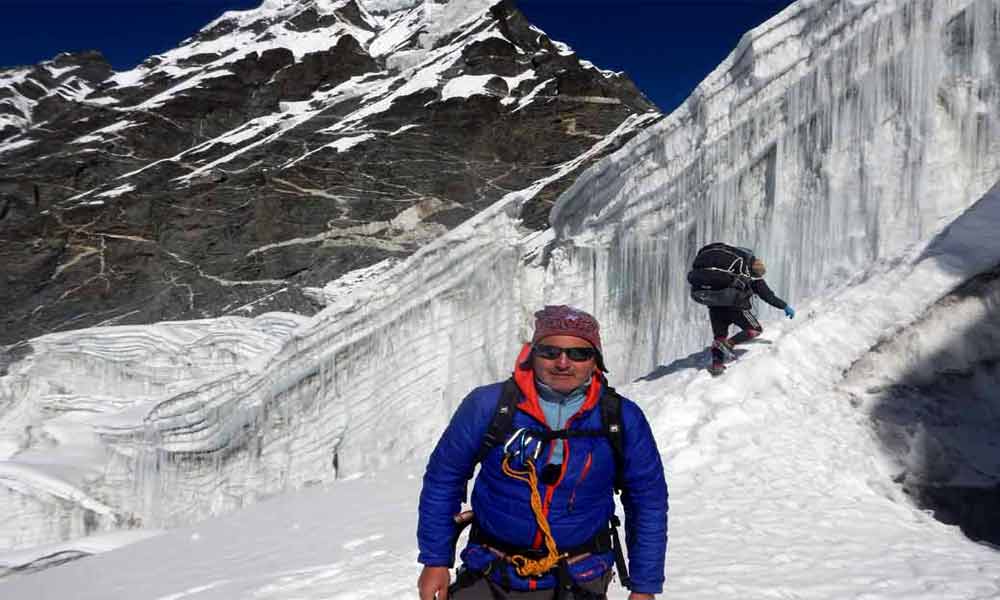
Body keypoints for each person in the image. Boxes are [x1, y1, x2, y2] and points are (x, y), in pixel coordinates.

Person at [417, 305, 668, 599]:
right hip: (491, 571)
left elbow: (647, 501)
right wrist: (435, 559)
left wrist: (644, 586)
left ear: (595, 361)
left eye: (578, 354)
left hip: (578, 576)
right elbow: (444, 477)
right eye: (550, 351)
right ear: (531, 354)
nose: (563, 362)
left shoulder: (621, 418)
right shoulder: (489, 405)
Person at [707, 256, 794, 376]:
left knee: (719, 337)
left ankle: (717, 365)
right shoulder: (754, 279)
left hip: (716, 309)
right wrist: (784, 306)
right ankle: (729, 343)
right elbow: (768, 297)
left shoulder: (728, 275)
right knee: (755, 329)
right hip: (737, 309)